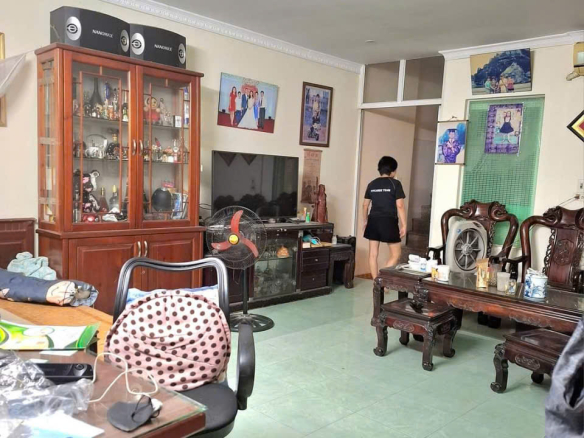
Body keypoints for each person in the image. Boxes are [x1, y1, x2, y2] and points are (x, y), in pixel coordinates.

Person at [362, 156, 406, 279]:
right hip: (389, 221)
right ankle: (382, 280)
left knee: (373, 254)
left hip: (373, 220)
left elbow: (365, 205)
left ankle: (376, 282)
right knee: (396, 254)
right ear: (393, 171)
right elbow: (400, 205)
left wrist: (365, 221)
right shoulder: (396, 183)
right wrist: (404, 225)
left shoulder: (371, 184)